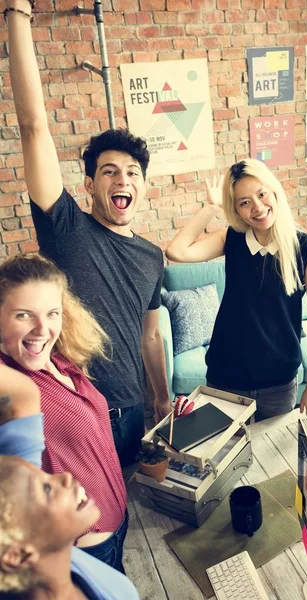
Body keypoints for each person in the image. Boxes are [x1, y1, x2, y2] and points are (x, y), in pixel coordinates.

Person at [6, 0, 170, 467]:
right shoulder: (66, 229)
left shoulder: (152, 256)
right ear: (90, 184)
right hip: (73, 411)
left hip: (133, 410)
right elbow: (34, 128)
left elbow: (151, 336)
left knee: (125, 508)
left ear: (143, 184)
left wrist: (160, 397)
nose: (122, 181)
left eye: (132, 173)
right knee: (87, 520)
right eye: (110, 172)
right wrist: (17, 14)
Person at [166, 160, 307, 419]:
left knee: (272, 458)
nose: (258, 207)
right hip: (225, 377)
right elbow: (177, 251)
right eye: (244, 202)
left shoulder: (306, 247)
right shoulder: (231, 239)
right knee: (226, 456)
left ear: (274, 191)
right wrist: (212, 208)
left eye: (262, 194)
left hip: (278, 383)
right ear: (237, 211)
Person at [0, 253, 128, 572]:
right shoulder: (9, 384)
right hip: (83, 548)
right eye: (24, 315)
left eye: (52, 313)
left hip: (116, 522)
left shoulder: (58, 359)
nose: (42, 329)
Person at [0, 364, 139, 600]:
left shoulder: (61, 560)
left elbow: (25, 392)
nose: (63, 476)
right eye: (45, 488)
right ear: (19, 555)